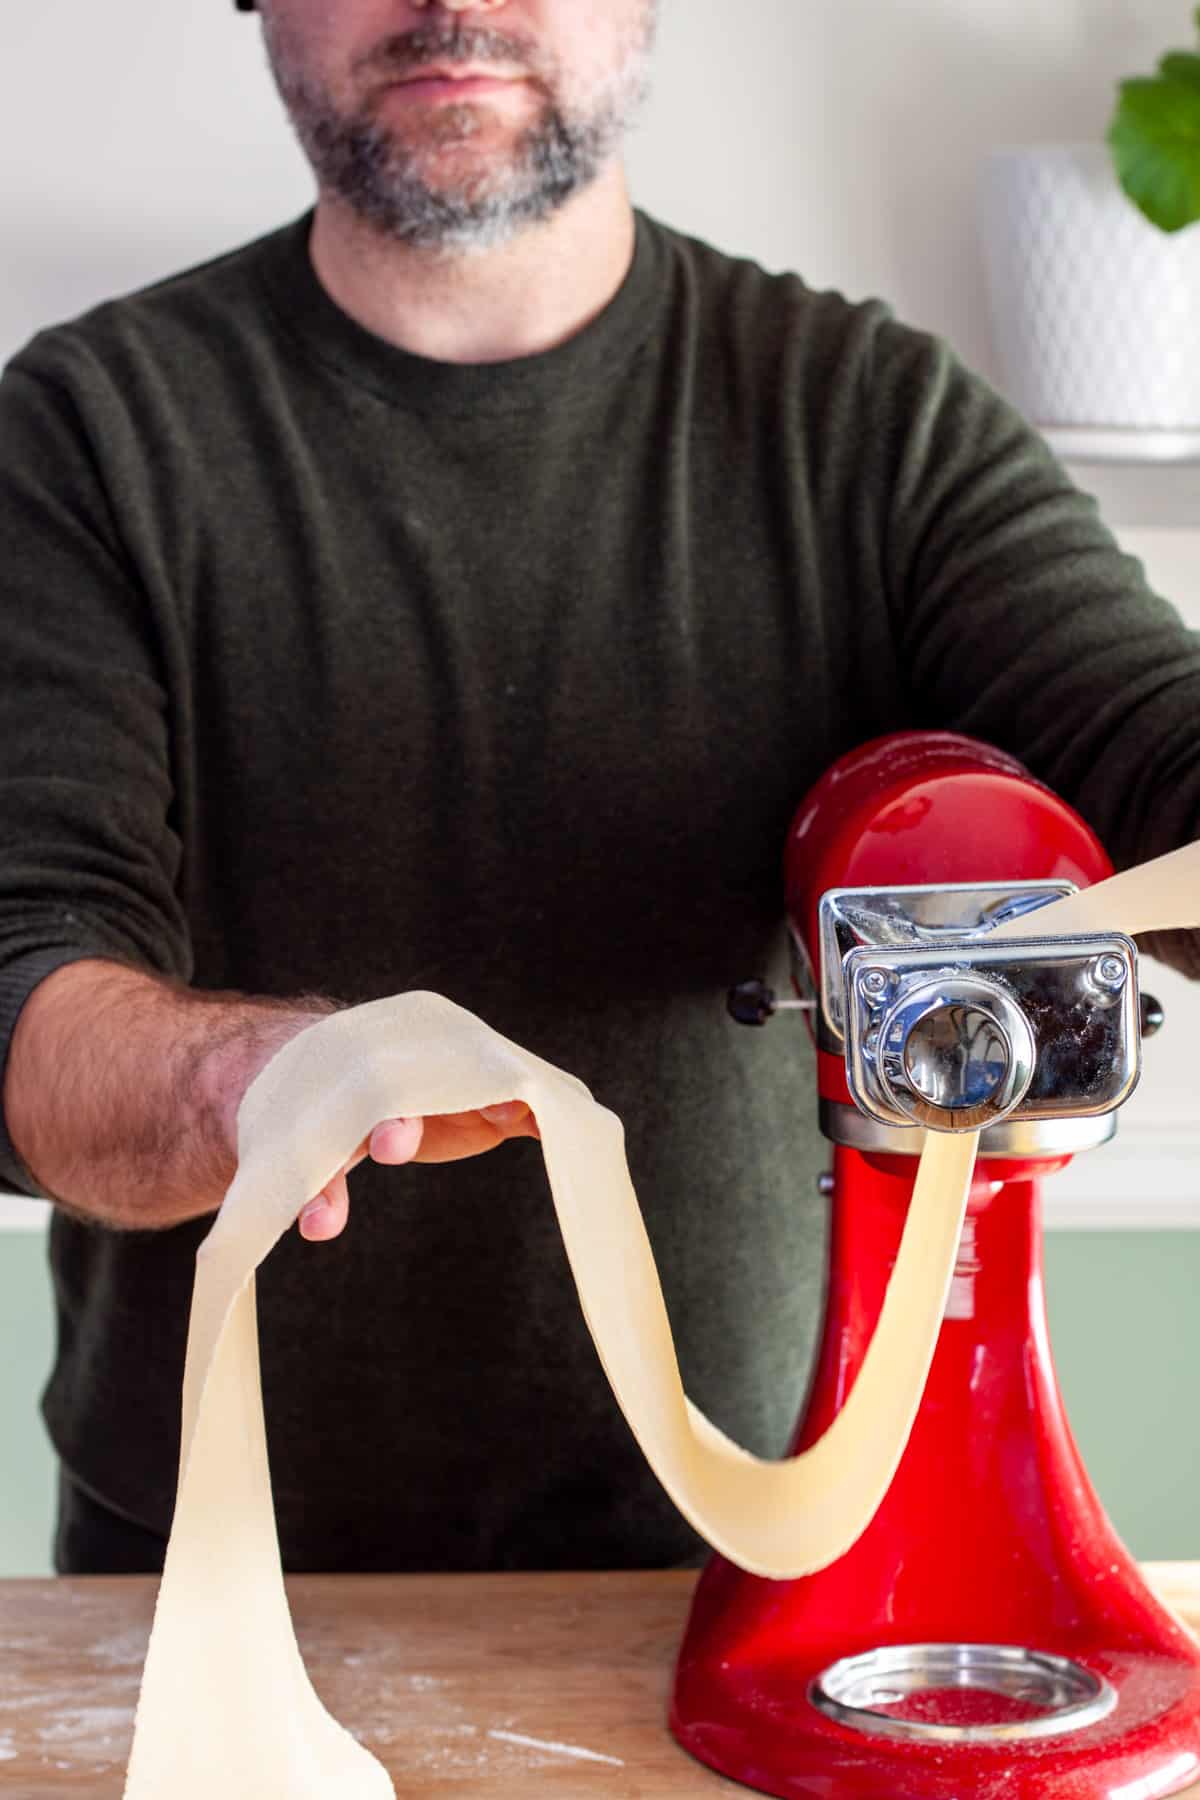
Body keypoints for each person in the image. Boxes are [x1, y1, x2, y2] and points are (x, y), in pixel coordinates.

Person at [1, 0, 1198, 1578]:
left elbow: (1154, 750)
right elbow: (25, 983)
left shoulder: (869, 421)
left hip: (741, 1563)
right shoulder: (84, 433)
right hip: (201, 1578)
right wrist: (240, 1084)